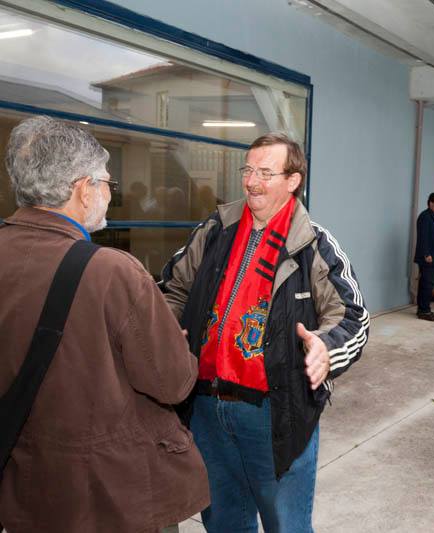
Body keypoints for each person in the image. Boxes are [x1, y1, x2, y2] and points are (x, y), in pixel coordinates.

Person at [0, 115, 209, 532]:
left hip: (21, 492)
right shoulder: (112, 271)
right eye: (107, 183)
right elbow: (173, 383)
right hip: (105, 496)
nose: (110, 195)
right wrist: (174, 344)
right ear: (83, 189)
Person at [161, 132, 369, 533]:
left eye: (265, 173)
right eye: (248, 170)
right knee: (223, 522)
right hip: (206, 406)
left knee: (285, 525)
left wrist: (326, 350)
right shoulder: (215, 229)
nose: (251, 182)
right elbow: (173, 289)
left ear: (293, 180)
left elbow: (353, 318)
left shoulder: (314, 244)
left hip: (276, 412)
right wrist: (166, 338)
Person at [415, 193, 434, 321]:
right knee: (426, 285)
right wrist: (427, 254)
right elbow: (423, 237)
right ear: (431, 203)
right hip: (428, 258)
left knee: (427, 285)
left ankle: (424, 309)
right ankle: (424, 311)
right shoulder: (425, 217)